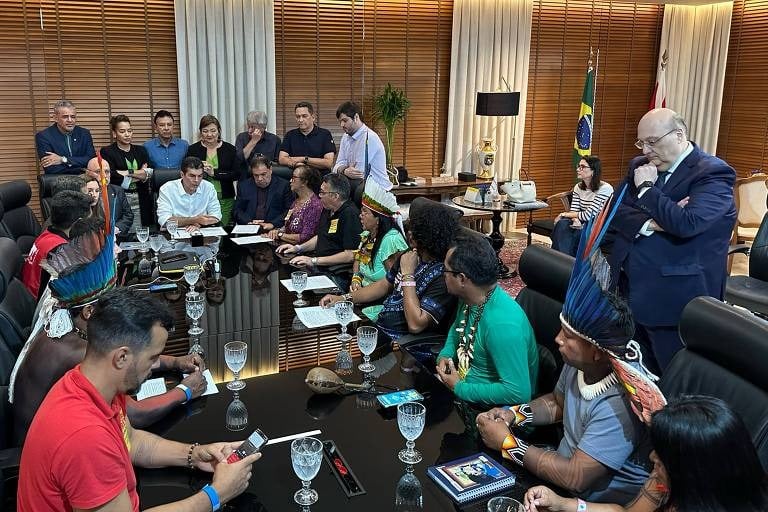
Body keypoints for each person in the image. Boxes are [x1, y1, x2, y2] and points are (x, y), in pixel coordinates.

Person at [477, 195, 654, 505]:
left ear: (598, 351)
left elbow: (575, 476)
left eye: (569, 337)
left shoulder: (619, 404)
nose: (558, 339)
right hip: (556, 480)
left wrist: (507, 444)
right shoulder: (581, 363)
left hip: (589, 502)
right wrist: (513, 415)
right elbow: (558, 404)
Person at [17, 288, 259, 511]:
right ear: (122, 357)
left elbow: (132, 441)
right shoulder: (85, 437)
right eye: (152, 357)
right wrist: (218, 494)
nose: (155, 366)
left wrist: (195, 454)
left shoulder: (91, 383)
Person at [11, 217, 208, 444]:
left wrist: (175, 362)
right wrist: (185, 390)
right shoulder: (76, 351)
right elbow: (135, 415)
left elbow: (127, 357)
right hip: (42, 449)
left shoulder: (66, 325)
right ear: (88, 312)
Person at [606, 108, 737, 372]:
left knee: (672, 378)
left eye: (652, 142)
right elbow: (613, 210)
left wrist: (647, 190)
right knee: (636, 375)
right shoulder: (640, 166)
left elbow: (687, 224)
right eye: (641, 143)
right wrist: (653, 222)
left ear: (679, 135)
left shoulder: (712, 173)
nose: (646, 150)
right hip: (629, 291)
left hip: (674, 301)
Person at [523, 395, 768, 512]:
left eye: (662, 456)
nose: (652, 459)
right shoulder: (665, 482)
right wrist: (563, 504)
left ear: (692, 472)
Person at [320, 198, 458, 346]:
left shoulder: (443, 276)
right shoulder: (410, 254)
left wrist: (408, 276)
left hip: (402, 346)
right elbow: (384, 284)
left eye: (413, 230)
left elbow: (416, 325)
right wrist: (343, 298)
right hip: (380, 329)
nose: (408, 233)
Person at [436, 232, 539, 419]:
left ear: (462, 279)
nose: (443, 275)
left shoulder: (502, 325)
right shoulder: (470, 297)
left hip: (494, 415)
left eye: (446, 270)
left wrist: (460, 388)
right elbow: (457, 329)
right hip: (465, 395)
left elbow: (518, 392)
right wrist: (446, 354)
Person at [277, 174, 363, 287]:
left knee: (299, 287)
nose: (319, 196)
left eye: (322, 192)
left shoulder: (350, 214)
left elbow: (350, 255)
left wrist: (314, 261)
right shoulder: (328, 209)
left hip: (336, 273)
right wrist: (298, 248)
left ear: (335, 196)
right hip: (320, 267)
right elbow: (321, 236)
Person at [349, 179, 408, 320]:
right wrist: (356, 279)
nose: (360, 215)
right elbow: (358, 259)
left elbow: (395, 284)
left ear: (378, 219)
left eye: (365, 212)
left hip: (381, 304)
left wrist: (358, 296)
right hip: (361, 298)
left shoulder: (391, 241)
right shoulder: (368, 234)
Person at [21, 190, 91, 298]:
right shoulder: (60, 251)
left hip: (27, 296)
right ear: (79, 222)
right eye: (89, 220)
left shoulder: (48, 234)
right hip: (40, 302)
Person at [551, 156, 613, 256]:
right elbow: (574, 210)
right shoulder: (578, 187)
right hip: (583, 221)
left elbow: (588, 215)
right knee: (562, 225)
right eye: (578, 166)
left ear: (593, 171)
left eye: (582, 167)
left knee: (576, 234)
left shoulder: (605, 189)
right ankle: (561, 261)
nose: (578, 169)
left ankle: (565, 262)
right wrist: (576, 219)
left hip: (599, 225)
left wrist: (563, 214)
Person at [100, 114, 153, 230]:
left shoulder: (141, 150)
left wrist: (126, 173)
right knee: (123, 231)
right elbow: (113, 176)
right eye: (122, 131)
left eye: (129, 131)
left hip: (142, 197)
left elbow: (149, 173)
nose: (127, 134)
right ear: (114, 134)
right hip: (121, 198)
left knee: (143, 232)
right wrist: (139, 174)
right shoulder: (107, 152)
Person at [186, 114, 240, 226]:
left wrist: (214, 173)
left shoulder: (230, 149)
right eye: (205, 131)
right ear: (200, 132)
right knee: (201, 228)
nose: (209, 134)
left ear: (219, 131)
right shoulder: (193, 149)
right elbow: (188, 172)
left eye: (213, 131)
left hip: (225, 198)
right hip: (199, 198)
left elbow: (236, 174)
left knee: (221, 229)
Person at [332, 100, 390, 192]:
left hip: (378, 192)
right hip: (359, 189)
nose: (341, 125)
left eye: (345, 120)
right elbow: (336, 167)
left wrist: (342, 169)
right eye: (340, 121)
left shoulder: (369, 137)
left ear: (356, 117)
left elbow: (357, 172)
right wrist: (344, 170)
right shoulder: (345, 137)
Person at [156, 156, 222, 230]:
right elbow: (165, 221)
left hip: (201, 230)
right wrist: (195, 220)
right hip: (174, 232)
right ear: (182, 175)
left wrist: (198, 224)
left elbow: (216, 216)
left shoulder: (208, 187)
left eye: (200, 176)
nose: (196, 180)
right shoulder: (167, 189)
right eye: (192, 176)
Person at [232, 154, 293, 231]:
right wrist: (248, 222)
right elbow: (237, 210)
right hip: (250, 228)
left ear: (270, 170)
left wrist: (273, 224)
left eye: (263, 174)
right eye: (256, 175)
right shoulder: (244, 186)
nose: (260, 179)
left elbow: (289, 211)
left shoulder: (283, 186)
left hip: (273, 229)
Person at [268, 164, 324, 245]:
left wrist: (280, 235)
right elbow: (287, 226)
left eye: (294, 178)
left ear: (304, 182)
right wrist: (276, 232)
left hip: (302, 249)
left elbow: (305, 237)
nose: (290, 180)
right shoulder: (296, 201)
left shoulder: (314, 205)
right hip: (286, 245)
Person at [36, 99, 96, 174]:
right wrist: (81, 167)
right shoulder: (44, 136)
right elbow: (51, 168)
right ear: (55, 118)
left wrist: (63, 160)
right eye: (65, 117)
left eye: (73, 117)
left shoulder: (84, 133)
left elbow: (91, 160)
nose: (70, 120)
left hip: (85, 178)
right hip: (59, 179)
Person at [279, 101, 336, 173]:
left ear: (313, 117)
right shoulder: (290, 135)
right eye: (298, 117)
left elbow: (328, 163)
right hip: (297, 176)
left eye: (304, 116)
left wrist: (304, 159)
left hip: (320, 177)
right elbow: (282, 159)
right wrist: (296, 164)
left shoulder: (325, 134)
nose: (300, 120)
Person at [84, 157, 134, 237]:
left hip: (116, 238)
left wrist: (115, 229)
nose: (104, 176)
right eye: (98, 172)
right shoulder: (82, 192)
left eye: (107, 172)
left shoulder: (117, 191)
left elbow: (128, 215)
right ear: (88, 173)